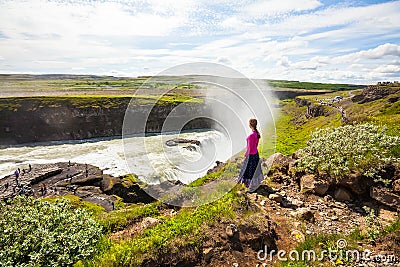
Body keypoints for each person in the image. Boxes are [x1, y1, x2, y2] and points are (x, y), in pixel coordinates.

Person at [238, 118, 263, 191]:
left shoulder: (251, 136)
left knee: (247, 170)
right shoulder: (257, 133)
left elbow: (249, 148)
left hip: (250, 155)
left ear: (250, 125)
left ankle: (248, 184)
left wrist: (245, 155)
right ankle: (256, 182)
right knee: (255, 169)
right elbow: (256, 145)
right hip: (256, 154)